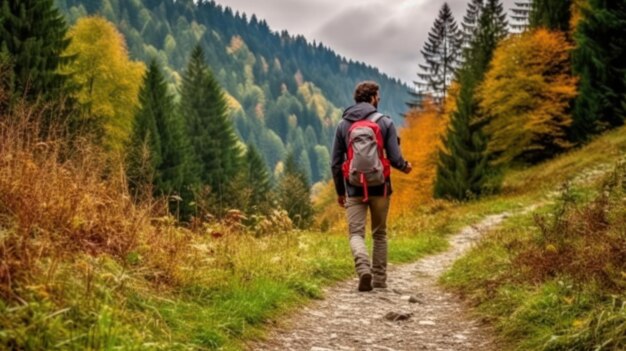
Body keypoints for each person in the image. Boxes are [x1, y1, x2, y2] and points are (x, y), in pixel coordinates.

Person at [331, 81, 412, 292]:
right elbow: (395, 158)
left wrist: (341, 192)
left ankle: (363, 267)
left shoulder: (343, 125)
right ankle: (379, 280)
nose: (380, 99)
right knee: (379, 234)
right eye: (378, 96)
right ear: (373, 97)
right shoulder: (385, 122)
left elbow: (335, 162)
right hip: (381, 186)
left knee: (356, 234)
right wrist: (405, 167)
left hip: (353, 186)